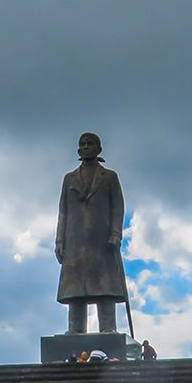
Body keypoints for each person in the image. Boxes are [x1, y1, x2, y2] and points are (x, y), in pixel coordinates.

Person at [55, 133, 126, 334]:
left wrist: (116, 234)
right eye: (82, 144)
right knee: (75, 288)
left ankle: (108, 328)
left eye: (90, 144)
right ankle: (75, 329)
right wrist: (59, 240)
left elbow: (117, 207)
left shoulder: (110, 177)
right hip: (75, 242)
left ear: (99, 149)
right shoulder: (69, 179)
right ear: (78, 150)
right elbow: (63, 211)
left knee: (105, 286)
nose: (86, 147)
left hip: (101, 240)